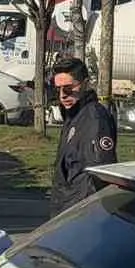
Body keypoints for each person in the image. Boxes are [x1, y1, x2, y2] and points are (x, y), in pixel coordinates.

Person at [49, 57, 117, 217]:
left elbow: (99, 174)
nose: (62, 96)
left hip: (79, 214)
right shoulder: (73, 115)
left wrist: (79, 217)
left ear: (85, 84)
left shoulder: (94, 118)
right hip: (65, 209)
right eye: (57, 89)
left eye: (68, 88)